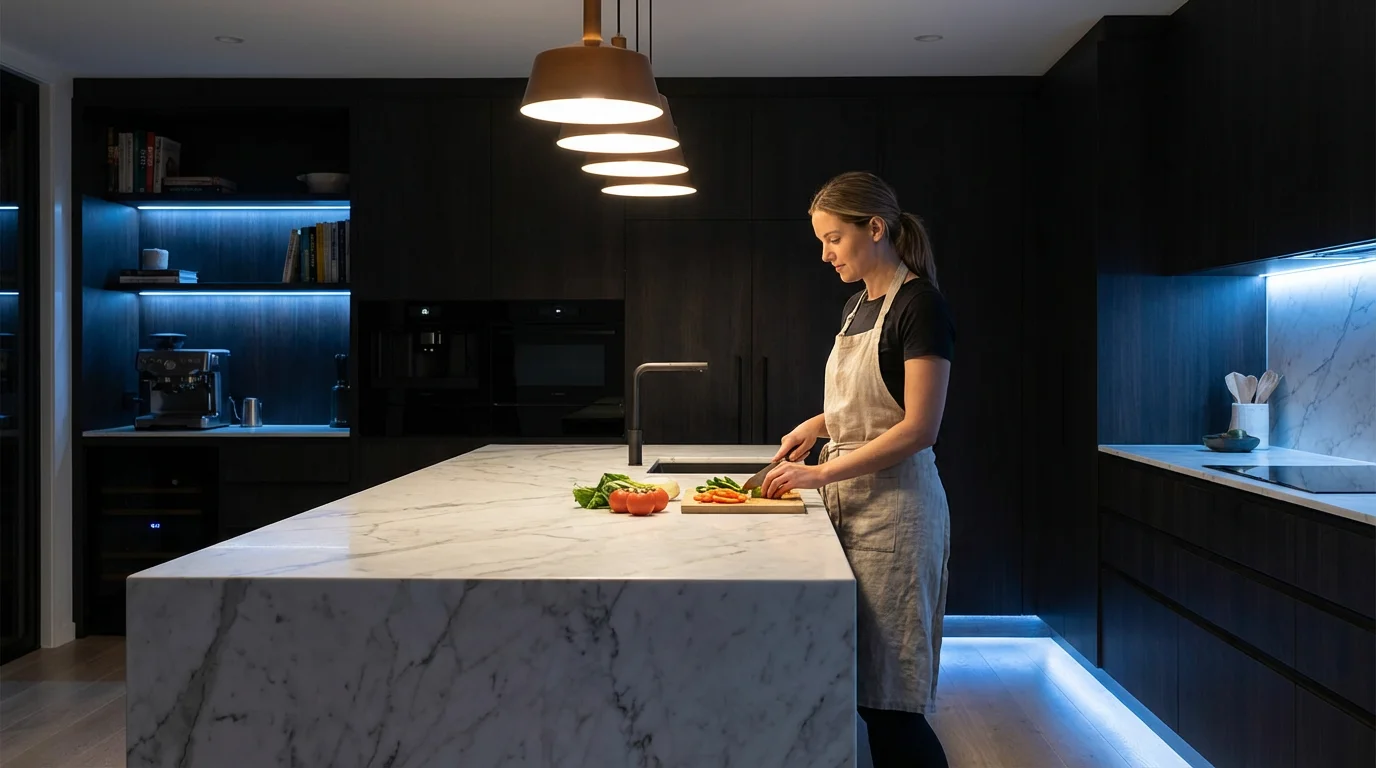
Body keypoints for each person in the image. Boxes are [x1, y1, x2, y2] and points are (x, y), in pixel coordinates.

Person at [761, 171, 953, 767]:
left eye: (833, 239)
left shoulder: (919, 304)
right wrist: (812, 428)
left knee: (891, 700)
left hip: (896, 513)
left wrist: (818, 476)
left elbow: (919, 427)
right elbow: (864, 404)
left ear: (875, 229)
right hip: (850, 505)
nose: (825, 255)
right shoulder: (856, 306)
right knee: (862, 690)